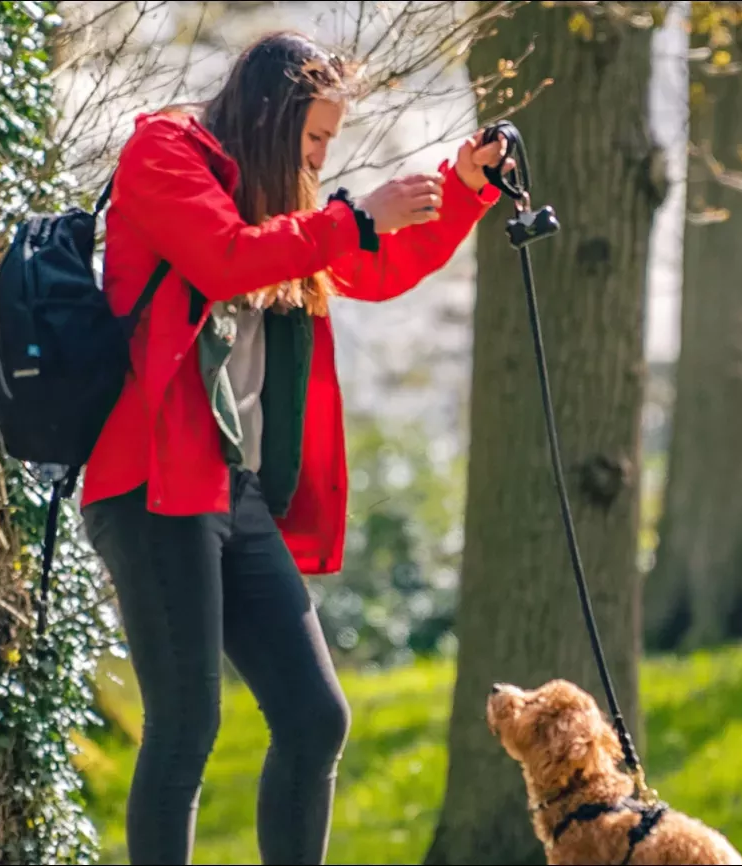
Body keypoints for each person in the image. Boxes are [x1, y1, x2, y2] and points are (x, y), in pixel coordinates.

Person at [78, 29, 509, 866]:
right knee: (185, 725)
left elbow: (378, 266)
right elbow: (224, 258)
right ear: (272, 117)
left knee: (315, 720)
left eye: (327, 144)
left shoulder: (289, 205)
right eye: (314, 137)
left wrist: (463, 188)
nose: (319, 155)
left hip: (229, 492)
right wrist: (350, 215)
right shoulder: (163, 153)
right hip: (152, 482)